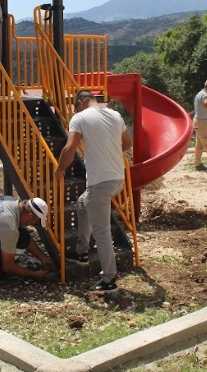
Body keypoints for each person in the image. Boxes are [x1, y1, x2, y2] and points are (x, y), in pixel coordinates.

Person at [54, 89, 132, 294]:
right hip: (117, 179)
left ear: (79, 103)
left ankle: (109, 280)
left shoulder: (79, 118)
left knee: (102, 231)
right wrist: (108, 151)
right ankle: (81, 252)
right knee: (82, 204)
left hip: (100, 183)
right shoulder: (114, 114)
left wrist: (60, 170)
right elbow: (127, 143)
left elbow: (68, 149)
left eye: (74, 106)